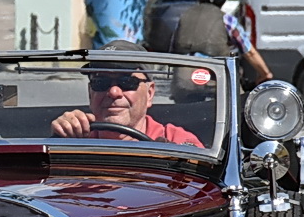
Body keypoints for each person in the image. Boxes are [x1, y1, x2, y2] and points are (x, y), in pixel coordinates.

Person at [50, 43, 203, 145]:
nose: (113, 92)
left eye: (127, 82)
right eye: (100, 82)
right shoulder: (74, 140)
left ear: (149, 94)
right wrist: (60, 137)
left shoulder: (178, 141)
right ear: (90, 93)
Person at [192, 0, 271, 84]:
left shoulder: (185, 17)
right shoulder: (226, 20)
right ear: (222, 0)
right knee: (240, 96)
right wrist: (265, 74)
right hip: (217, 83)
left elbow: (174, 49)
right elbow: (249, 52)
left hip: (183, 82)